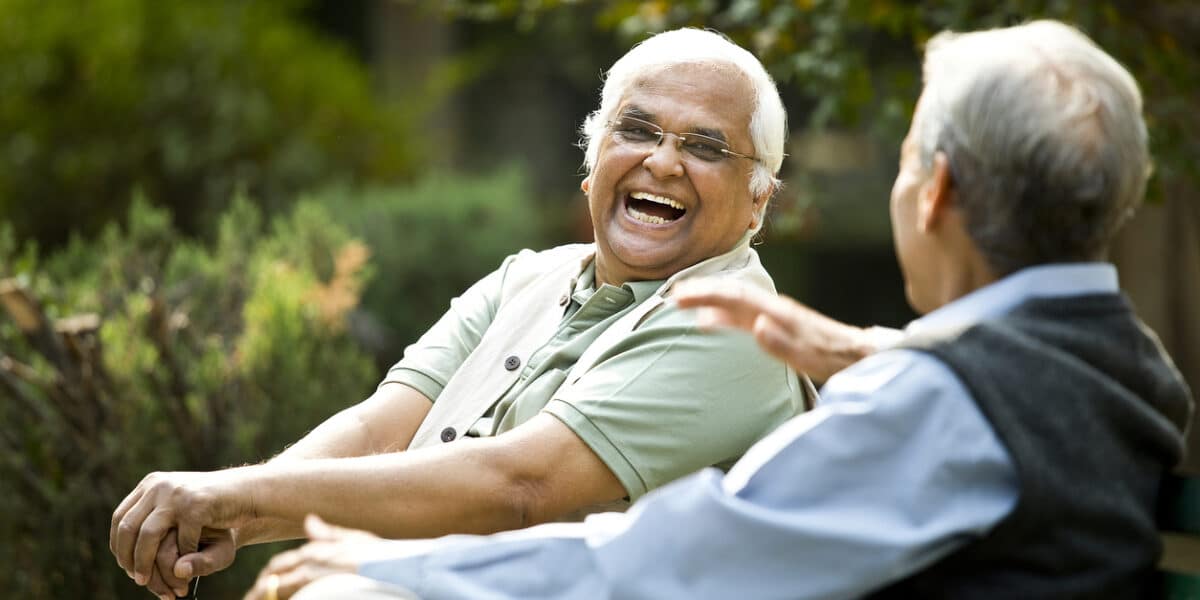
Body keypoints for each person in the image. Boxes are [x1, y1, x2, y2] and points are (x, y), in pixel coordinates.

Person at [243, 19, 1193, 600]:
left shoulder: (941, 407)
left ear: (934, 191)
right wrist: (892, 353)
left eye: (903, 160)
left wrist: (387, 571)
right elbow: (1006, 402)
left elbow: (671, 560)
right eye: (637, 131)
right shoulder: (1128, 365)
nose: (662, 162)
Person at [109, 28, 814, 600]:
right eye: (638, 130)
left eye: (704, 145)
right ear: (593, 158)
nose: (662, 162)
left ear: (758, 200)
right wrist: (239, 515)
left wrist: (237, 497)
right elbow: (380, 426)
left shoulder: (735, 322)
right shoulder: (526, 279)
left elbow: (520, 486)